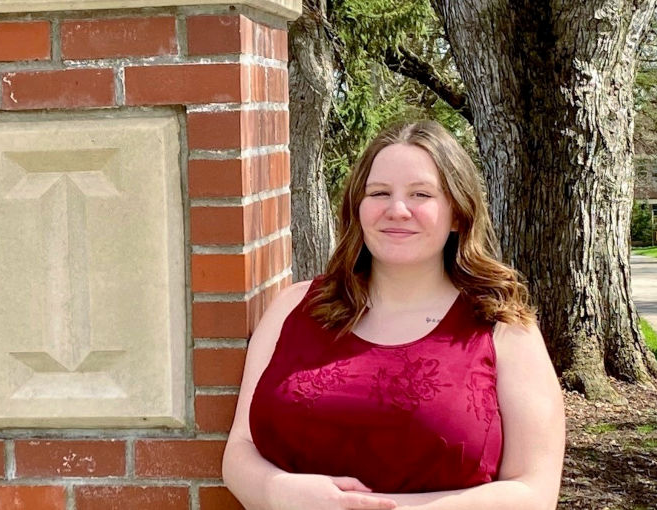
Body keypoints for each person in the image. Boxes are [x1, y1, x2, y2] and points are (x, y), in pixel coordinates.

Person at [222, 120, 564, 509]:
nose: (397, 210)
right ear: (358, 208)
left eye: (421, 194)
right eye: (379, 192)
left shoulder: (500, 328)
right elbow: (239, 452)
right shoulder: (293, 307)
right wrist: (277, 492)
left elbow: (533, 492)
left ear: (457, 214)